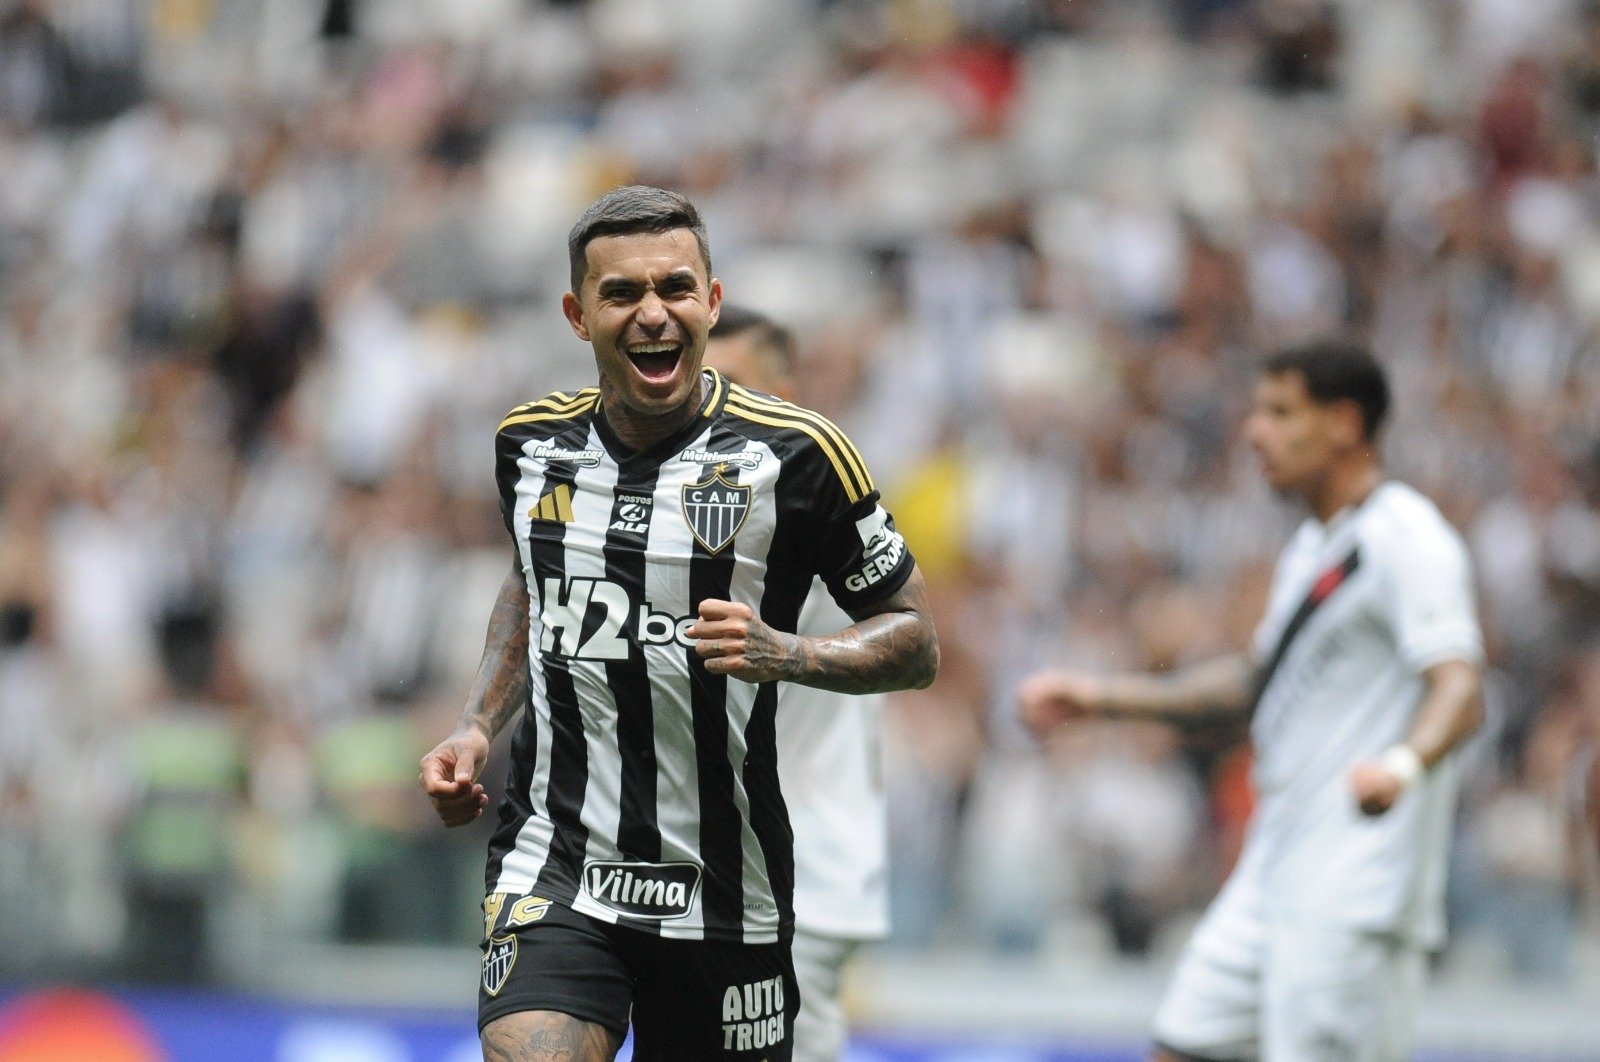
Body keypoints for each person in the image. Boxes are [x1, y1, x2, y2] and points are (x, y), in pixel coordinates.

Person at [418, 185, 938, 1062]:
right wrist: (477, 722)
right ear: (578, 315)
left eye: (675, 289)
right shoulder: (528, 445)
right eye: (622, 294)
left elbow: (916, 639)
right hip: (559, 861)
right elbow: (529, 577)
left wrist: (789, 652)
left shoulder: (800, 454)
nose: (653, 313)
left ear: (713, 301)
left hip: (728, 880)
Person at [1020, 340, 1484, 1062]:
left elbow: (1461, 687)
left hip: (1352, 895)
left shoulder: (1408, 537)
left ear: (1343, 423)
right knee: (1179, 1046)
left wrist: (1400, 765)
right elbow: (1252, 685)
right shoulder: (1315, 547)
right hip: (1273, 873)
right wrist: (1103, 698)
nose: (1253, 431)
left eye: (1278, 412)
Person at [704, 306, 890, 1062]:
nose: (714, 406)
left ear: (787, 393)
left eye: (736, 385)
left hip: (800, 872)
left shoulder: (807, 503)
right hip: (730, 866)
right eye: (702, 386)